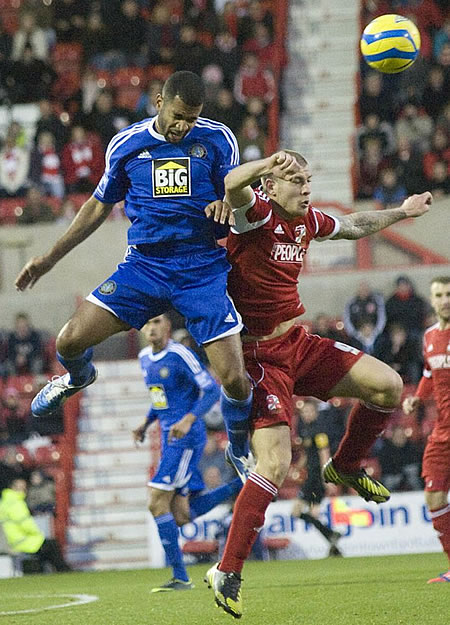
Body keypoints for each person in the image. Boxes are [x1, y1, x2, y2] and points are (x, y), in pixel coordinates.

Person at [205, 149, 432, 617]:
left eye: (308, 179)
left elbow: (353, 225)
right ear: (270, 186)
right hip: (260, 356)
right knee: (274, 462)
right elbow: (231, 186)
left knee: (388, 386)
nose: (305, 188)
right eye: (296, 181)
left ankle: (345, 466)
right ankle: (227, 569)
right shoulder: (256, 216)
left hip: (300, 344)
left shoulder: (306, 222)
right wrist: (268, 164)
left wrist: (402, 212)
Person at [15, 71, 253, 480]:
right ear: (159, 102)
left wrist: (225, 203)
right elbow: (95, 206)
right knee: (68, 342)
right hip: (145, 266)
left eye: (192, 119)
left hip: (200, 268)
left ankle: (239, 448)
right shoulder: (127, 144)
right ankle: (79, 377)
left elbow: (237, 191)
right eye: (178, 115)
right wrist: (50, 258)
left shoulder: (218, 140)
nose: (184, 126)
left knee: (235, 380)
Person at [132, 315, 242, 592]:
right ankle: (242, 483)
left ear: (167, 328)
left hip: (186, 438)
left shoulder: (181, 354)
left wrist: (189, 420)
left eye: (157, 322)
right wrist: (146, 423)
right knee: (180, 515)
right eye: (148, 323)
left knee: (156, 502)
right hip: (170, 439)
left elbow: (210, 390)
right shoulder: (145, 358)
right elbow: (160, 399)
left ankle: (180, 577)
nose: (152, 327)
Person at [402, 276, 450, 584]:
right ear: (431, 300)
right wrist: (417, 399)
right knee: (433, 496)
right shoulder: (430, 336)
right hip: (443, 431)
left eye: (448, 294)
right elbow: (429, 373)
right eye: (439, 295)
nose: (444, 299)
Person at [291, 399, 342, 557]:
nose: (306, 415)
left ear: (315, 413)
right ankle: (333, 543)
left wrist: (326, 478)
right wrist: (297, 467)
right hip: (311, 476)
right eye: (304, 412)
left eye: (309, 412)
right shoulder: (306, 430)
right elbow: (308, 454)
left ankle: (331, 535)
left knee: (296, 512)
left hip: (316, 478)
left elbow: (324, 454)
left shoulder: (320, 432)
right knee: (313, 515)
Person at [0, 478, 71, 573]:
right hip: (22, 541)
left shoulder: (5, 502)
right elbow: (25, 523)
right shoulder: (15, 503)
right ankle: (63, 570)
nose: (24, 490)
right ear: (14, 487)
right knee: (51, 545)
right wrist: (38, 533)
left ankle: (50, 571)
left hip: (14, 541)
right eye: (22, 487)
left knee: (46, 547)